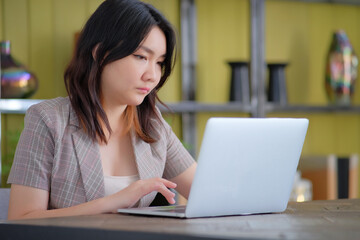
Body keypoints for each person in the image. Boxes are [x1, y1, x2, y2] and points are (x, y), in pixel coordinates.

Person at [7, 0, 196, 220]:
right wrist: (113, 202)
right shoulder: (48, 120)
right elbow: (21, 218)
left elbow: (207, 194)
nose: (152, 76)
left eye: (159, 63)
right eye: (141, 57)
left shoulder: (153, 126)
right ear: (100, 52)